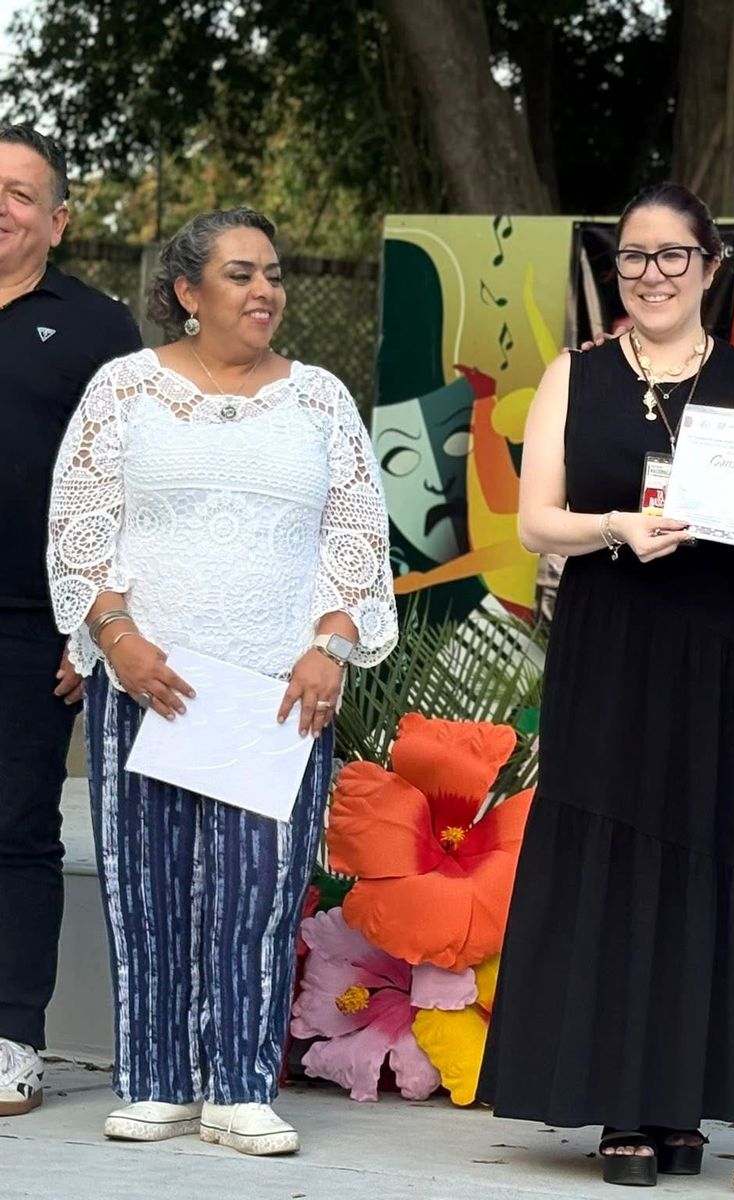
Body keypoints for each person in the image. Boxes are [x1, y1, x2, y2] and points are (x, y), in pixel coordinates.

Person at [45, 207, 397, 1155]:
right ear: (188, 293)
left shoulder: (321, 399)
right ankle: (156, 1080)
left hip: (277, 693)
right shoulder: (124, 388)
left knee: (261, 893)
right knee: (146, 886)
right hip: (150, 680)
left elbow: (358, 535)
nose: (265, 291)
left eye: (273, 274)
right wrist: (113, 635)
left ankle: (241, 1088)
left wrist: (333, 642)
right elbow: (81, 522)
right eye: (240, 275)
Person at [480, 182, 734, 1188]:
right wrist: (616, 528)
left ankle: (682, 1100)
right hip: (610, 635)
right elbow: (535, 521)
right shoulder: (579, 372)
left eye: (672, 257)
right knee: (608, 850)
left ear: (710, 265)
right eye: (635, 258)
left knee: (704, 854)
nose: (652, 275)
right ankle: (618, 1107)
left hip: (721, 644)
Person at [0, 124, 143, 1118]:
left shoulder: (98, 331)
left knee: (14, 835)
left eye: (19, 191)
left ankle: (9, 1041)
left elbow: (138, 492)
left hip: (30, 625)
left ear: (56, 219)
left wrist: (94, 624)